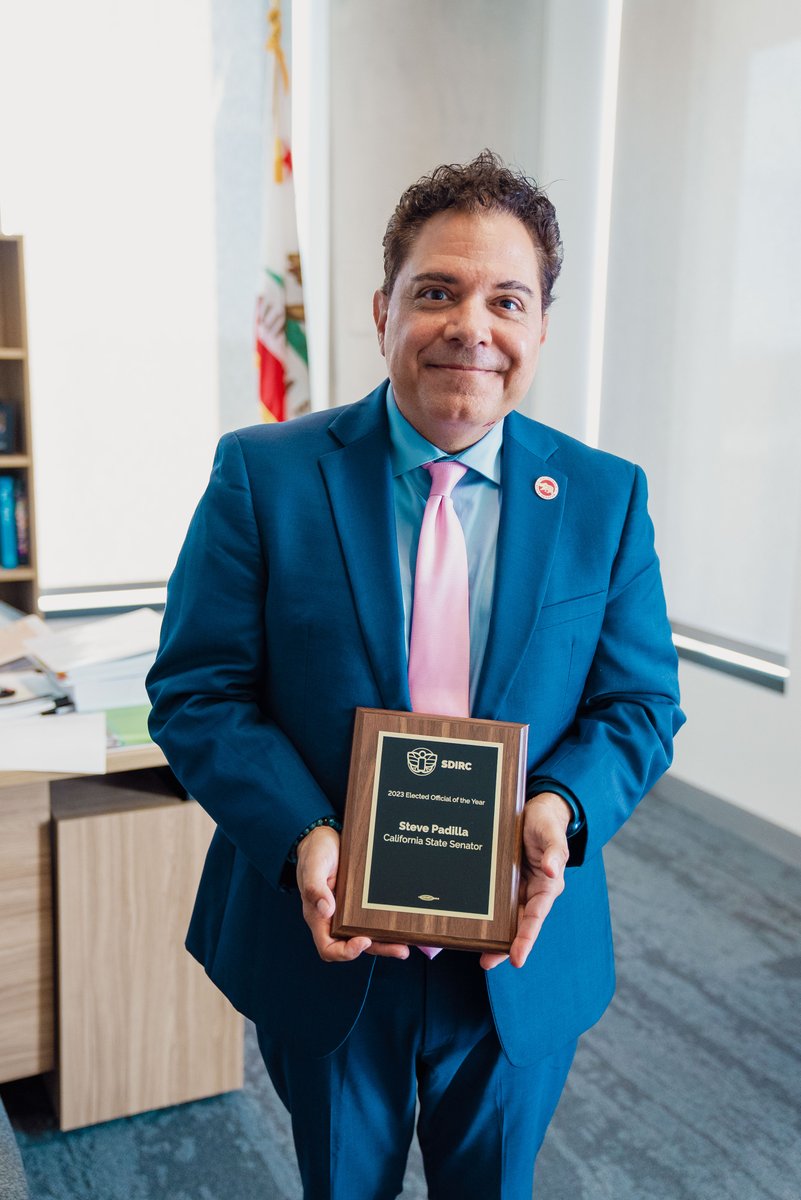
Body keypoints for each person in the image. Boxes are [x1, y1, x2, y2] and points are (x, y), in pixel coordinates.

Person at [147, 150, 684, 1199]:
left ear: (539, 328)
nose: (470, 326)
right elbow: (198, 689)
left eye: (507, 299)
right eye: (436, 290)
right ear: (384, 307)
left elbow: (640, 705)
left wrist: (563, 812)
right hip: (329, 937)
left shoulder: (603, 499)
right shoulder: (264, 476)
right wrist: (305, 832)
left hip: (517, 951)